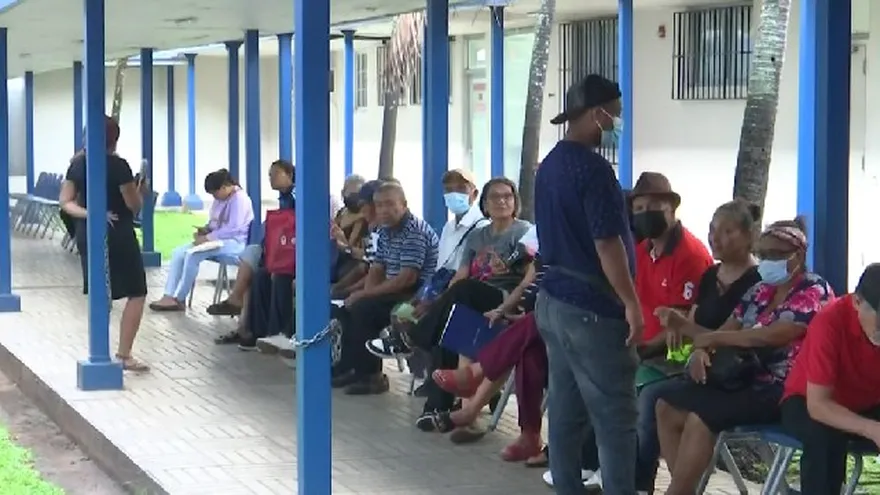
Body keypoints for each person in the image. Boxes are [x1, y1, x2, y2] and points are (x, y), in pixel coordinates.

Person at [654, 217, 834, 495]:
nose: (767, 261)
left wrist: (715, 339)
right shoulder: (760, 291)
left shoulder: (814, 289)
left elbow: (776, 334)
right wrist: (702, 350)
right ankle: (684, 489)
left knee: (700, 417)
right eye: (763, 255)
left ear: (797, 255)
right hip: (741, 378)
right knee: (665, 406)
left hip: (780, 387)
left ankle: (677, 492)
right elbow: (727, 328)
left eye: (775, 255)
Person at [533, 73, 640, 495]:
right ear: (596, 114)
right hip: (592, 309)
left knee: (564, 411)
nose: (618, 122)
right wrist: (631, 302)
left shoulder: (551, 164)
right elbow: (608, 243)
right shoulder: (595, 170)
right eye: (615, 114)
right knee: (615, 418)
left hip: (553, 300)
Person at [636, 199, 761, 493]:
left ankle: (666, 488)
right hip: (701, 368)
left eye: (727, 231)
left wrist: (687, 331)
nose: (716, 238)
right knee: (660, 404)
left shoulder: (757, 283)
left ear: (748, 236)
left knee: (658, 399)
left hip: (736, 374)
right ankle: (681, 488)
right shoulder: (710, 276)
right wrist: (686, 337)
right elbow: (692, 329)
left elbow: (731, 336)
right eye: (713, 229)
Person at [59, 116, 150, 371]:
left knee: (101, 291)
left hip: (88, 232)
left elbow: (66, 202)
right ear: (114, 138)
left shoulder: (78, 164)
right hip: (118, 231)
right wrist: (141, 192)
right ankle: (123, 354)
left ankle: (100, 349)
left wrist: (91, 214)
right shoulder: (119, 166)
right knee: (136, 291)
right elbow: (133, 205)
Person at [780, 263, 880, 494]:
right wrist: (871, 429)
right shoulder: (829, 321)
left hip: (867, 400)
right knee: (825, 439)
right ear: (857, 302)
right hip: (807, 401)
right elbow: (818, 406)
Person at [332, 182, 439, 395]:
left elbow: (407, 279)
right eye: (379, 205)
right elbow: (377, 268)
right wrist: (363, 295)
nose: (383, 210)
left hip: (416, 296)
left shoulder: (414, 231)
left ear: (404, 204)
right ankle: (354, 368)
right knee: (349, 307)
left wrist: (364, 295)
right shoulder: (384, 230)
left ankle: (373, 377)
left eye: (390, 204)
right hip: (393, 290)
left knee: (364, 308)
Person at [150, 169, 254, 311]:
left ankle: (179, 299)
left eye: (214, 193)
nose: (214, 197)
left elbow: (233, 228)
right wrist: (206, 229)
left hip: (234, 242)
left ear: (224, 187)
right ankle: (168, 295)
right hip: (217, 239)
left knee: (193, 255)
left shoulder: (240, 199)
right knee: (179, 252)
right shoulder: (220, 199)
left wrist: (208, 238)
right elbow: (215, 222)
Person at [208, 159, 295, 318]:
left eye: (276, 174)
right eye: (269, 175)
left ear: (289, 174)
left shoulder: (295, 197)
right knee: (252, 269)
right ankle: (244, 328)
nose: (271, 178)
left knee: (253, 259)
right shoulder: (284, 198)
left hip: (291, 251)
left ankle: (236, 300)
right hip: (278, 247)